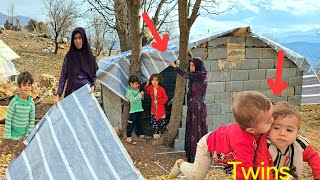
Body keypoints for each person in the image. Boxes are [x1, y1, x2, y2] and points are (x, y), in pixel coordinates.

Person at [168, 91, 274, 180]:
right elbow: (243, 169)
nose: (273, 121)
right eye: (269, 121)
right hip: (207, 146)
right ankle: (180, 164)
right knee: (197, 176)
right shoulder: (242, 142)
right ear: (251, 130)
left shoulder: (255, 127)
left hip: (221, 142)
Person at [254, 101, 320, 180]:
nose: (282, 133)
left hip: (286, 173)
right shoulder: (265, 146)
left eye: (289, 130)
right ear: (269, 129)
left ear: (297, 133)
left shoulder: (298, 145)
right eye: (276, 128)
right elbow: (263, 172)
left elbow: (314, 157)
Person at [170, 52, 208, 163]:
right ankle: (192, 153)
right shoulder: (199, 73)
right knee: (193, 128)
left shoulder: (199, 75)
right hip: (196, 105)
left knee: (196, 129)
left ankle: (196, 155)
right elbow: (193, 66)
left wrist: (175, 67)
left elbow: (185, 74)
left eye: (192, 65)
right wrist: (191, 55)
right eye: (190, 65)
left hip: (197, 106)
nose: (190, 67)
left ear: (197, 66)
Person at [54, 27, 98, 106]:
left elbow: (94, 75)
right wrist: (58, 95)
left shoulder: (90, 56)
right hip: (72, 95)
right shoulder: (69, 56)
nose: (78, 41)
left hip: (86, 95)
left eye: (80, 38)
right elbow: (63, 77)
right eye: (75, 38)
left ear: (84, 38)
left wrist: (93, 86)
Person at [4, 71, 35, 143]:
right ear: (19, 87)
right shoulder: (14, 102)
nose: (27, 87)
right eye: (24, 85)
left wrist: (27, 135)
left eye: (29, 85)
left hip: (23, 136)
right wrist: (7, 138)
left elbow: (31, 121)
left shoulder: (31, 104)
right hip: (12, 135)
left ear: (31, 87)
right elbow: (8, 120)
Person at [144, 74, 168, 139]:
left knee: (162, 123)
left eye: (156, 80)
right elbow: (146, 91)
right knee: (153, 122)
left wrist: (158, 101)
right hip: (153, 109)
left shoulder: (161, 89)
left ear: (159, 81)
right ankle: (156, 134)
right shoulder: (150, 88)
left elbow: (165, 98)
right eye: (153, 80)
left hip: (160, 110)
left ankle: (161, 134)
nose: (154, 82)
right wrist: (147, 84)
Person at [126, 75, 146, 145]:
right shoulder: (129, 92)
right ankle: (128, 137)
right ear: (130, 84)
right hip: (133, 110)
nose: (136, 85)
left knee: (139, 123)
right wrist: (140, 95)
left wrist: (141, 96)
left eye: (137, 84)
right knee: (131, 123)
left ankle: (141, 134)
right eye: (135, 84)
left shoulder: (137, 90)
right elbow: (133, 101)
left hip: (139, 109)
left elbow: (140, 99)